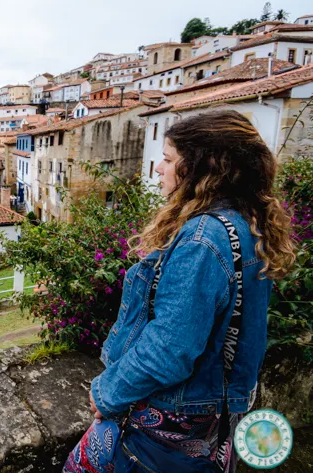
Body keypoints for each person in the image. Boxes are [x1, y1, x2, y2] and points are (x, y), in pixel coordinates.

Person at [63, 110, 295, 472]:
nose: (159, 168)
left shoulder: (202, 239)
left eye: (169, 160)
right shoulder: (244, 225)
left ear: (202, 169)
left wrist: (107, 393)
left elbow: (170, 348)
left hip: (171, 414)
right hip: (210, 413)